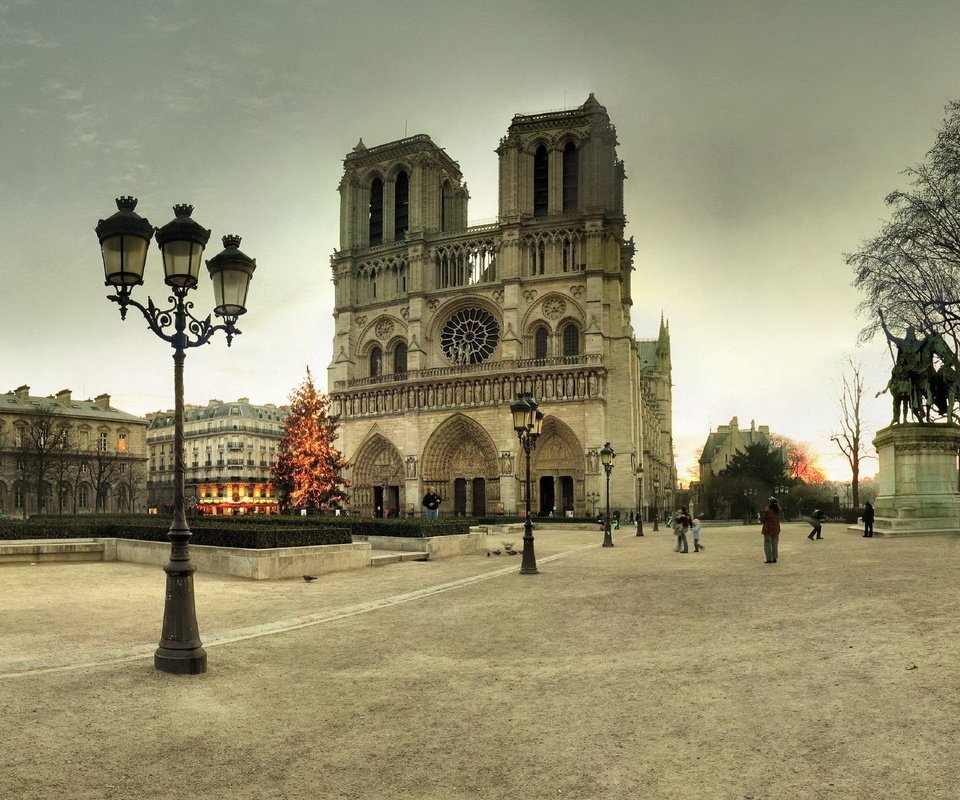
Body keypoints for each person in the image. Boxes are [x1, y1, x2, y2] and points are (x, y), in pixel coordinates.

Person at [761, 497, 781, 563]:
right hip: (776, 528)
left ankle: (769, 558)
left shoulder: (767, 510)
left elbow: (763, 519)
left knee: (768, 544)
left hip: (768, 528)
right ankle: (775, 558)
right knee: (775, 544)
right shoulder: (777, 510)